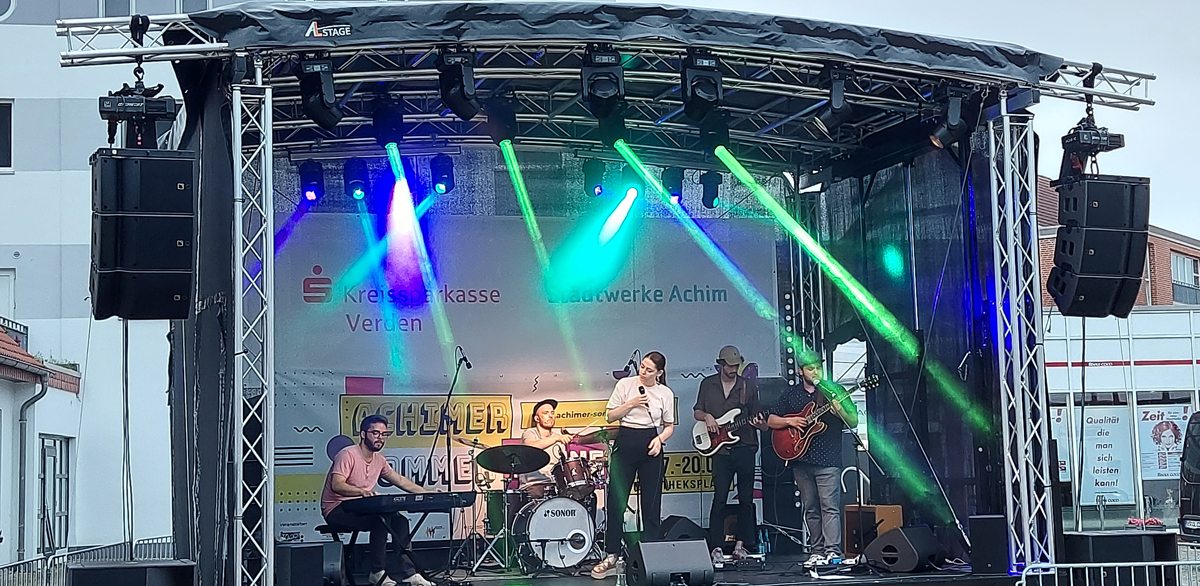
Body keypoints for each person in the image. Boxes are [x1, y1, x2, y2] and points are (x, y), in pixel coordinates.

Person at [767, 351, 858, 568]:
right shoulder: (791, 395)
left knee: (830, 507)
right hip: (801, 458)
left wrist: (840, 412)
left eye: (818, 367)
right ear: (801, 371)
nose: (815, 372)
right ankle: (817, 551)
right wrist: (790, 422)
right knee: (810, 508)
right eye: (810, 368)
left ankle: (832, 551)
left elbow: (853, 421)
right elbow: (771, 420)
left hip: (828, 459)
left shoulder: (835, 391)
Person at [321, 415, 435, 586]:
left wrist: (428, 494)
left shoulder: (379, 460)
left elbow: (401, 481)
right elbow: (337, 485)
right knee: (380, 520)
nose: (380, 438)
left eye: (383, 434)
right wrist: (362, 492)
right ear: (363, 434)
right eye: (375, 433)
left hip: (360, 508)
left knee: (400, 521)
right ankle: (377, 572)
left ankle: (409, 573)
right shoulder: (347, 454)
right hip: (336, 509)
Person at [591, 352, 676, 579]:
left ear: (659, 373)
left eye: (649, 370)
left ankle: (651, 554)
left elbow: (669, 425)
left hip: (650, 443)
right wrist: (631, 403)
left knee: (651, 504)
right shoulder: (625, 384)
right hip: (626, 440)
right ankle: (612, 555)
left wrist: (660, 439)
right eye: (643, 367)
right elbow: (610, 416)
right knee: (616, 501)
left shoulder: (665, 393)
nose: (643, 372)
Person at [694, 345, 766, 562]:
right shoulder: (708, 384)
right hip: (721, 451)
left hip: (744, 447)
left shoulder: (747, 386)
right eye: (729, 366)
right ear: (721, 364)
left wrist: (760, 423)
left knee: (746, 500)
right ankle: (715, 546)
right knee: (719, 499)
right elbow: (697, 411)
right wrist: (706, 416)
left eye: (736, 366)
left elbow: (760, 420)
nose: (733, 369)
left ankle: (741, 545)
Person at [521, 398, 573, 497]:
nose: (550, 416)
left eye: (552, 413)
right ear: (537, 418)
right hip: (534, 485)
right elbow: (531, 447)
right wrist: (556, 438)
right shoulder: (530, 432)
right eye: (545, 413)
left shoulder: (558, 437)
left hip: (556, 485)